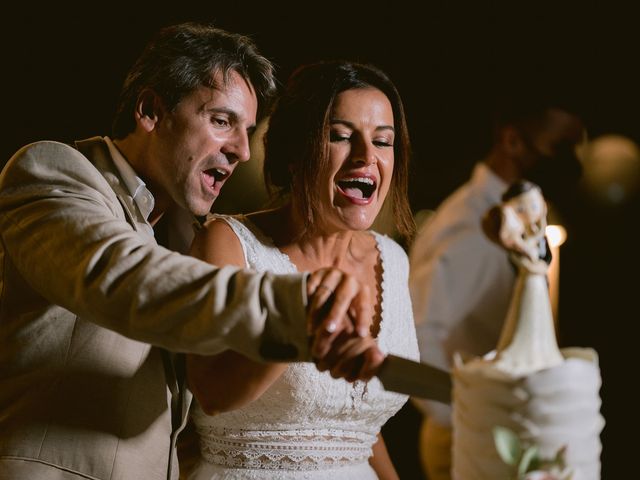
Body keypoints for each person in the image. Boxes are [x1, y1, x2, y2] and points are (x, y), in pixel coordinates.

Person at [0, 23, 383, 480]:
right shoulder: (53, 175)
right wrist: (288, 301)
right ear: (150, 111)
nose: (241, 150)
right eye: (221, 121)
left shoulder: (188, 234)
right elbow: (125, 276)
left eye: (247, 130)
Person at [185, 60, 419, 480]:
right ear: (294, 151)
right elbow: (211, 393)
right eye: (341, 137)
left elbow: (358, 430)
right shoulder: (230, 242)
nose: (366, 156)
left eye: (383, 142)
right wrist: (298, 331)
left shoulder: (394, 260)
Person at [408, 94, 585, 480]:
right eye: (559, 146)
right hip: (472, 436)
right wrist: (469, 417)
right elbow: (420, 334)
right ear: (512, 141)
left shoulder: (532, 210)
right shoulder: (467, 226)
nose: (571, 160)